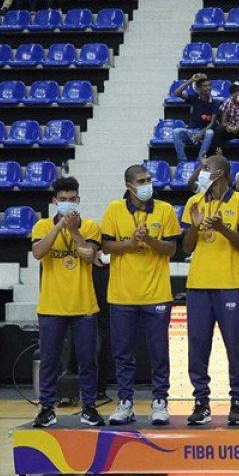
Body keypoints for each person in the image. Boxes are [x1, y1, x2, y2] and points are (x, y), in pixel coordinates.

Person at [100, 166, 179, 426]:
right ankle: (125, 402)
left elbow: (171, 249)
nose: (147, 184)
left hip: (156, 294)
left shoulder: (165, 210)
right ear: (129, 185)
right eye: (141, 181)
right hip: (122, 295)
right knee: (123, 353)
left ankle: (160, 402)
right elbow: (106, 246)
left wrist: (150, 241)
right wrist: (131, 243)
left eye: (149, 180)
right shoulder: (114, 209)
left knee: (158, 352)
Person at [181, 155, 239, 426]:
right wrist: (196, 227)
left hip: (230, 284)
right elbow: (187, 247)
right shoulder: (194, 202)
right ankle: (201, 400)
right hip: (198, 284)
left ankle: (237, 400)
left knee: (235, 346)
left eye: (205, 168)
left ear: (219, 173)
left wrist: (222, 228)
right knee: (198, 346)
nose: (200, 172)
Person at [29, 177, 104, 428]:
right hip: (51, 306)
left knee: (88, 360)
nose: (68, 203)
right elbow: (39, 253)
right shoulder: (41, 225)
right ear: (54, 202)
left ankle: (89, 407)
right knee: (49, 361)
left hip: (84, 305)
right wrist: (60, 226)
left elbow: (89, 256)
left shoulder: (91, 227)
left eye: (72, 199)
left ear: (79, 200)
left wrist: (73, 230)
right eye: (63, 200)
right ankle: (47, 408)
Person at [172, 74, 218, 163]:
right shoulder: (194, 98)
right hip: (191, 132)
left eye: (209, 85)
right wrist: (191, 80)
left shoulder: (215, 103)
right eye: (205, 86)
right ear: (199, 89)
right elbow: (177, 93)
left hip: (203, 132)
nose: (208, 88)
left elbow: (212, 123)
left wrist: (201, 133)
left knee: (210, 132)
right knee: (176, 132)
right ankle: (182, 161)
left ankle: (200, 160)